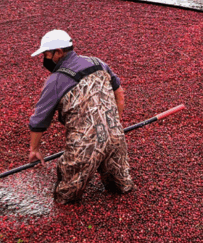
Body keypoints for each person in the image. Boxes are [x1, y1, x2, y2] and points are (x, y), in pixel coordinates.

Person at [28, 29, 132, 203]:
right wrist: (114, 124)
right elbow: (119, 93)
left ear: (59, 52)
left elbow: (39, 121)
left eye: (46, 54)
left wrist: (34, 150)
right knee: (122, 188)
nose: (45, 59)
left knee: (66, 197)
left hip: (84, 146)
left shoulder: (56, 80)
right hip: (116, 137)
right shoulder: (97, 63)